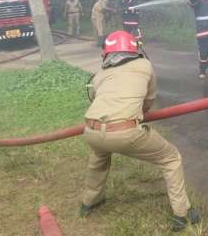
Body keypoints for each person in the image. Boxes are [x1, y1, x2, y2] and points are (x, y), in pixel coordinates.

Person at [80, 30, 200, 232]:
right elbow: (148, 102)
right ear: (134, 50)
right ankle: (182, 213)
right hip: (125, 132)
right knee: (171, 158)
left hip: (92, 131)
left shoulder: (100, 74)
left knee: (98, 161)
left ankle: (88, 203)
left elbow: (96, 99)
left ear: (107, 54)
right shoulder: (145, 65)